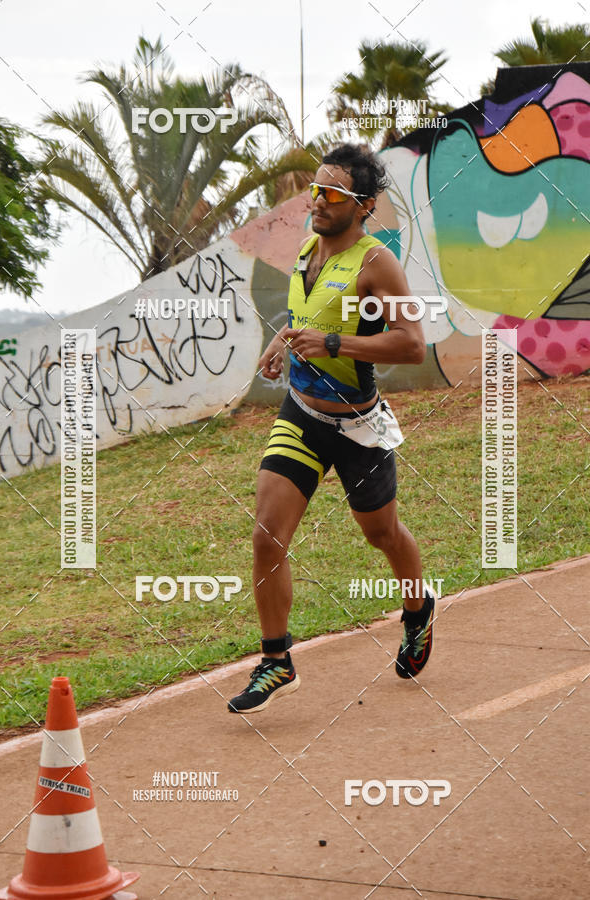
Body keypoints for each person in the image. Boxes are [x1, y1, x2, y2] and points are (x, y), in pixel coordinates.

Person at [228, 143, 435, 714]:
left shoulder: (377, 264)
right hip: (301, 413)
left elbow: (413, 345)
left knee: (382, 535)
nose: (316, 201)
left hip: (357, 428)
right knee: (267, 533)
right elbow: (306, 320)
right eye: (313, 190)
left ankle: (418, 608)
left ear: (364, 205)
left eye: (332, 193)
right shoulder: (305, 253)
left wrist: (337, 344)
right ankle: (276, 660)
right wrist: (284, 339)